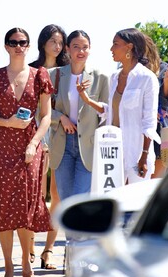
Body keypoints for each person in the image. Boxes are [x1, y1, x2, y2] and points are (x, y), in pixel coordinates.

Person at [0, 27, 53, 277]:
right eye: (13, 42)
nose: (18, 46)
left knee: (27, 206)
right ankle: (8, 266)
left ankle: (26, 260)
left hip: (30, 147)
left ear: (29, 46)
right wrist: (7, 122)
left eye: (23, 42)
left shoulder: (39, 74)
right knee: (4, 208)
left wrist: (34, 144)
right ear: (6, 47)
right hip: (2, 147)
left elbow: (46, 116)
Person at [76, 28, 160, 184]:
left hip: (136, 152)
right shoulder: (114, 77)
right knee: (114, 200)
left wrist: (144, 155)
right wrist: (87, 100)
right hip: (113, 151)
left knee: (135, 202)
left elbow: (149, 122)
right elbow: (111, 112)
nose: (111, 49)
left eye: (115, 44)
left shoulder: (147, 78)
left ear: (129, 47)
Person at [48, 30, 109, 201]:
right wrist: (60, 117)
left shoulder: (101, 78)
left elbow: (107, 113)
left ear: (90, 49)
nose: (81, 51)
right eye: (76, 47)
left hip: (89, 145)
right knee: (66, 201)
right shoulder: (54, 75)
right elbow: (41, 110)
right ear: (67, 48)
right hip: (62, 143)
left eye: (85, 47)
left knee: (81, 199)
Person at [29, 24, 70, 269]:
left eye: (60, 41)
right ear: (43, 42)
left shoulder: (68, 71)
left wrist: (58, 117)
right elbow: (35, 108)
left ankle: (49, 249)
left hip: (62, 138)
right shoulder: (32, 70)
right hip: (36, 135)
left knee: (56, 195)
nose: (57, 45)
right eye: (53, 40)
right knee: (35, 194)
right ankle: (30, 246)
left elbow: (69, 107)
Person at [144, 34, 168, 178]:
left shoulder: (163, 67)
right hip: (137, 129)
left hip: (158, 129)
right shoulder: (132, 70)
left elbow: (167, 99)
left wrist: (167, 82)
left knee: (155, 180)